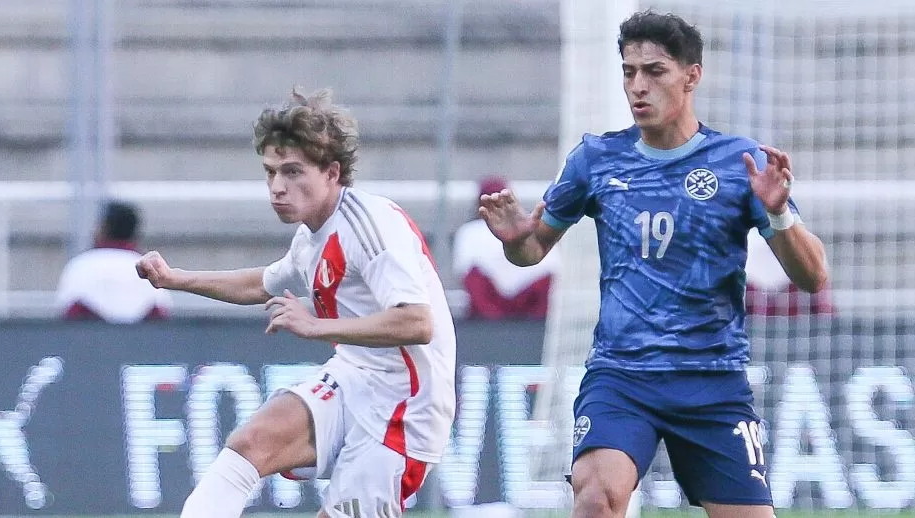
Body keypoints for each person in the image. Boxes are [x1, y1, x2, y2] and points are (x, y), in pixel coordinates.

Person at [477, 11, 828, 518]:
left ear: (692, 76)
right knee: (596, 497)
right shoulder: (596, 160)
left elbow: (813, 276)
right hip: (622, 375)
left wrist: (776, 214)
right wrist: (514, 241)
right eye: (628, 72)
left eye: (655, 71)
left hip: (712, 380)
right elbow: (532, 251)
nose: (637, 86)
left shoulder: (741, 163)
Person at [135, 87, 456, 517]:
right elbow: (261, 284)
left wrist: (317, 326)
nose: (277, 188)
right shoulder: (312, 236)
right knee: (250, 444)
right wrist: (175, 279)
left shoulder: (371, 225)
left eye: (292, 172)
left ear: (332, 172)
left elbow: (418, 322)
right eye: (270, 173)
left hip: (406, 405)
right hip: (355, 376)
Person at [452, 175, 559, 320]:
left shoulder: (532, 226)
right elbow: (468, 276)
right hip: (488, 308)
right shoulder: (470, 232)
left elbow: (550, 269)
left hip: (530, 303)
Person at [55, 201, 171, 323]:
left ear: (103, 227)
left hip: (90, 340)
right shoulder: (149, 269)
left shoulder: (80, 266)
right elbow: (160, 317)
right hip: (140, 340)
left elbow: (68, 317)